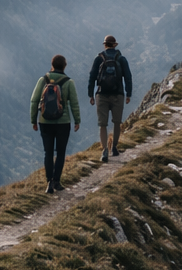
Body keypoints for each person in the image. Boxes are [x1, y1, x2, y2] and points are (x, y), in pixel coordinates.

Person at [30, 53, 80, 193]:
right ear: (64, 66)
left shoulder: (43, 80)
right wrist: (77, 120)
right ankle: (57, 181)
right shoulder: (69, 82)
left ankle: (49, 182)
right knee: (61, 152)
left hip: (45, 121)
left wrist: (34, 120)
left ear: (52, 65)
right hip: (63, 123)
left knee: (48, 152)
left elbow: (34, 101)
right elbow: (74, 103)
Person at [87, 33, 132, 162]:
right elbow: (128, 77)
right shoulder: (121, 59)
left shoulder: (99, 58)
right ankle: (114, 148)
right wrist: (128, 94)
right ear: (115, 45)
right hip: (118, 94)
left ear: (105, 45)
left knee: (103, 124)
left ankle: (104, 150)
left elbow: (92, 77)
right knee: (117, 123)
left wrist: (91, 94)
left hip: (101, 95)